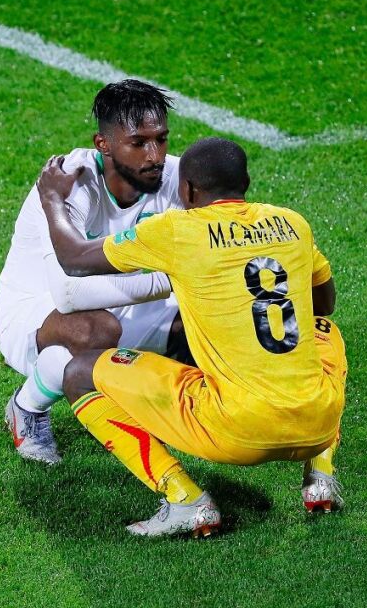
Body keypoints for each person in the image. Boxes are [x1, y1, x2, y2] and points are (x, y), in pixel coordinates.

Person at [36, 137, 348, 537]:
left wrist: (52, 199)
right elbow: (323, 304)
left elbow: (75, 259)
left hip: (236, 431)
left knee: (80, 373)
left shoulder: (177, 230)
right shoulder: (292, 223)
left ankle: (185, 499)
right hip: (318, 424)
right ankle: (320, 473)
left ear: (187, 190)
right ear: (245, 182)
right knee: (324, 332)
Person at [0, 79, 189, 464]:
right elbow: (69, 294)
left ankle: (165, 408)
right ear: (103, 144)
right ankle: (27, 407)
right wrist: (168, 281)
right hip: (39, 314)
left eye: (161, 139)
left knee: (206, 314)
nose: (155, 155)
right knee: (95, 330)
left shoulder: (177, 177)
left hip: (124, 301)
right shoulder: (68, 183)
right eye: (138, 143)